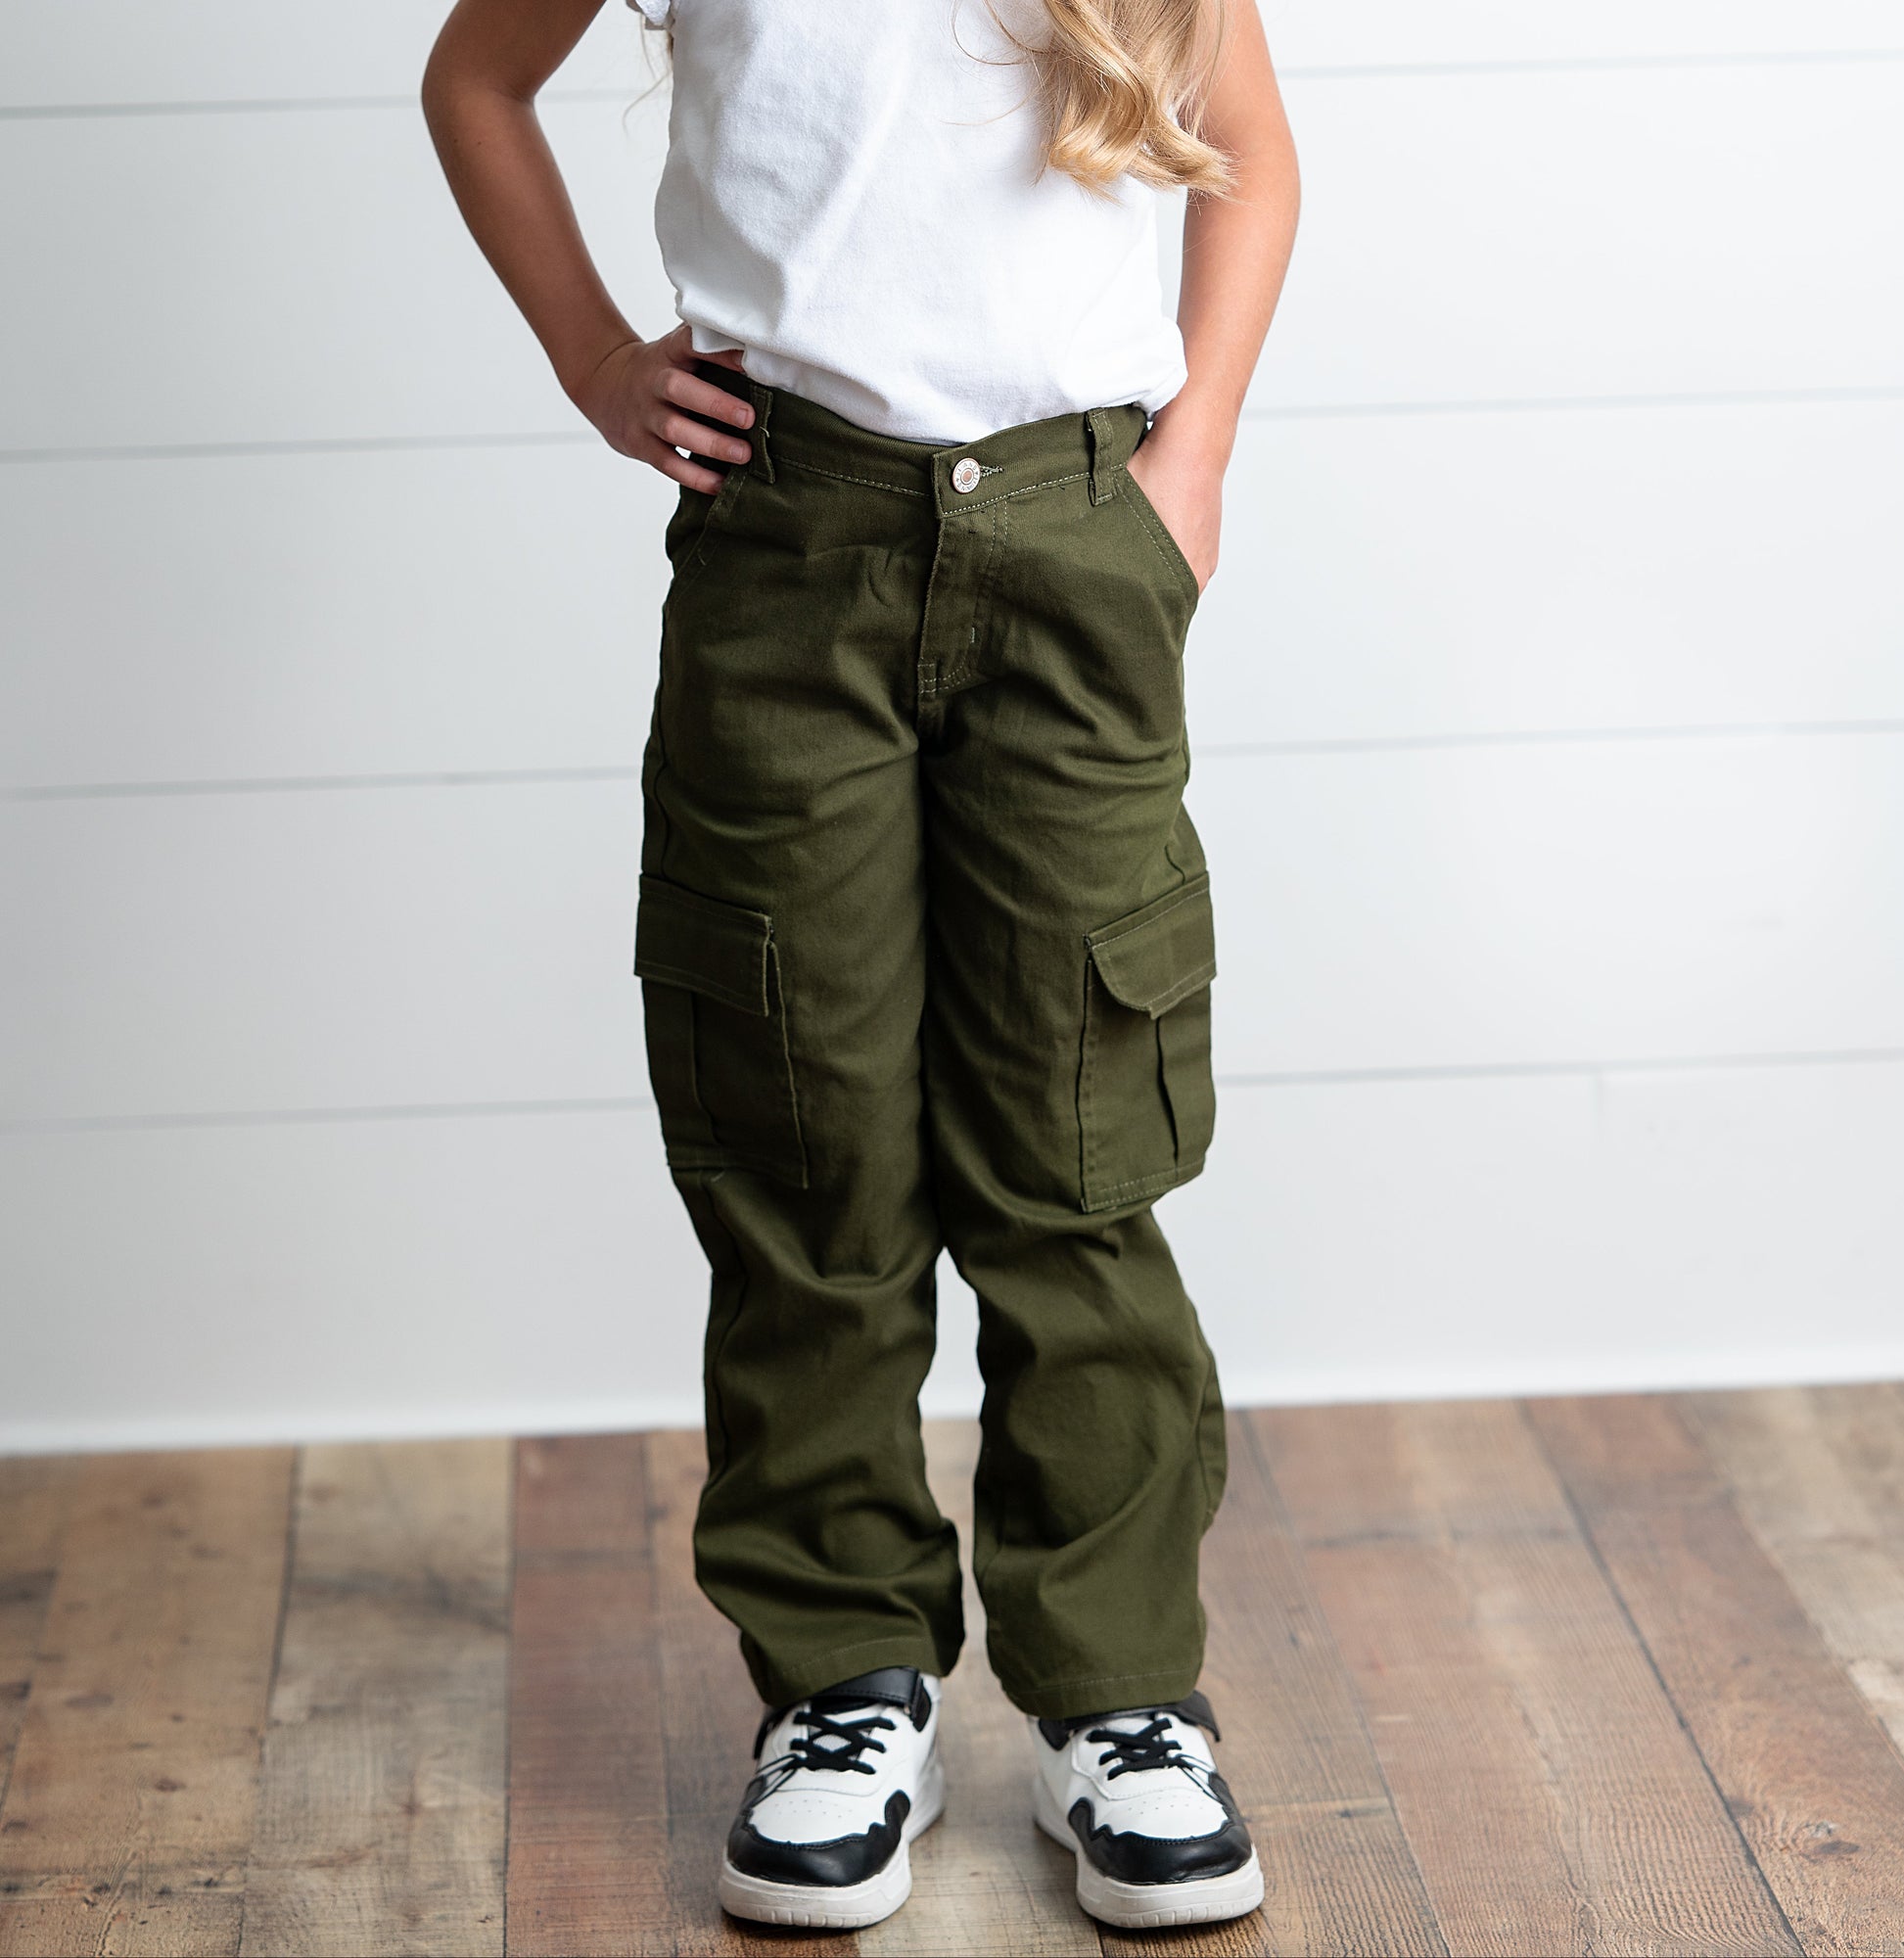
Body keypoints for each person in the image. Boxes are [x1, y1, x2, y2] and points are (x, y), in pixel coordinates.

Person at [422, 0, 1298, 1931]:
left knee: (1077, 1148)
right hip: (784, 546)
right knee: (800, 1143)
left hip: (1073, 543)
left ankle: (1123, 1697)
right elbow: (474, 78)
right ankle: (841, 1684)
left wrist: (1196, 454)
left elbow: (1254, 157)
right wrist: (591, 354)